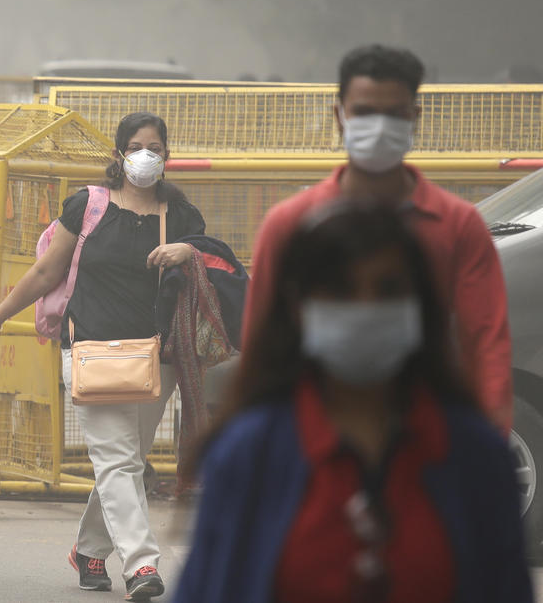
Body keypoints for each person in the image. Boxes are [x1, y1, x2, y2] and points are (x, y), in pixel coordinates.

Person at [175, 202, 532, 603]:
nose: (364, 308)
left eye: (388, 291)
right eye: (340, 291)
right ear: (298, 309)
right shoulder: (249, 452)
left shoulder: (476, 455)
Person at [0, 112, 207, 600]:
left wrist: (191, 252)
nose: (147, 155)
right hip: (89, 351)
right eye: (137, 145)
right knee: (118, 461)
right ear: (119, 154)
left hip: (155, 356)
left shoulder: (182, 217)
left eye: (156, 147)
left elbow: (213, 270)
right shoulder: (88, 206)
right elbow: (43, 273)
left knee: (128, 460)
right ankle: (142, 565)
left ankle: (88, 548)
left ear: (167, 155)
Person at [243, 44, 511, 434]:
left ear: (414, 117)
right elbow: (261, 342)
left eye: (394, 113)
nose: (380, 126)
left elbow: (487, 342)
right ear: (340, 116)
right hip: (312, 434)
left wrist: (487, 445)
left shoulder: (457, 224)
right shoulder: (290, 223)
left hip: (427, 434)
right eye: (365, 112)